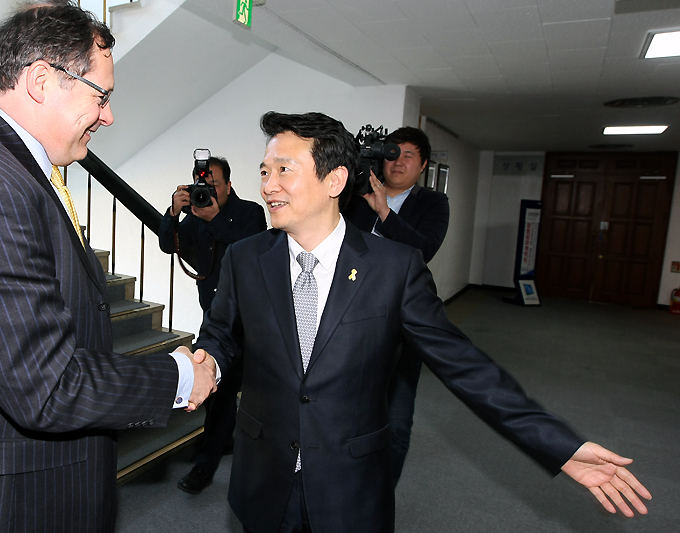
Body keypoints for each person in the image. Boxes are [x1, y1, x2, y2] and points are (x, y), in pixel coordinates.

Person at [192, 111, 650, 533]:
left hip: (350, 487)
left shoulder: (394, 268)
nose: (269, 185)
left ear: (334, 180)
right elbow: (220, 331)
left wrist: (558, 445)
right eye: (265, 171)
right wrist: (208, 358)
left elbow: (465, 365)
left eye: (284, 170)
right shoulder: (246, 257)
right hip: (262, 478)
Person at [0, 3, 216, 532]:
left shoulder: (11, 165)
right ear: (42, 80)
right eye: (102, 95)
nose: (109, 115)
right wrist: (180, 376)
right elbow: (47, 387)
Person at [343, 126, 449, 485]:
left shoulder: (433, 203)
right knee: (346, 409)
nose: (398, 162)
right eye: (393, 153)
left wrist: (386, 213)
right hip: (349, 315)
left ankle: (379, 496)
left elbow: (422, 250)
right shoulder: (355, 198)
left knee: (397, 417)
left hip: (403, 320)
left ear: (422, 166)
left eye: (409, 156)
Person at [158, 156, 266, 493]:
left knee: (250, 396)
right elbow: (167, 245)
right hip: (217, 320)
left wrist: (216, 217)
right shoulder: (194, 215)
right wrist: (174, 213)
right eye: (202, 183)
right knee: (218, 394)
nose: (208, 189)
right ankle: (211, 457)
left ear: (229, 185)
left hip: (254, 321)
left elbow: (251, 251)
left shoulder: (250, 213)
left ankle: (223, 464)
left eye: (214, 183)